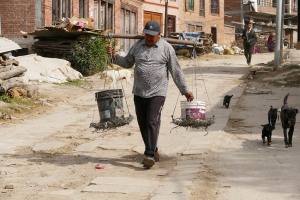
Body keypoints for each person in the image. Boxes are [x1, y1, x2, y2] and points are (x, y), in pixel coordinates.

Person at [107, 20, 194, 169]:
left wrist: (185, 90)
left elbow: (176, 71)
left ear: (159, 35)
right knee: (142, 123)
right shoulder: (138, 46)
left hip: (158, 92)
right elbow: (128, 62)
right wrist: (114, 56)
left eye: (152, 36)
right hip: (139, 92)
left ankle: (149, 154)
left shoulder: (166, 48)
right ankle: (154, 149)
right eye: (147, 35)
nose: (148, 38)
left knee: (152, 121)